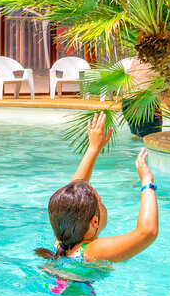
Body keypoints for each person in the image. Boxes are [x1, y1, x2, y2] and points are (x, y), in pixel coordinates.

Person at [35, 115, 159, 276]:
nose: (102, 204)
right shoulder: (93, 251)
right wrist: (147, 183)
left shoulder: (62, 242)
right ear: (94, 221)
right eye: (101, 202)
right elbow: (148, 232)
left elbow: (74, 192)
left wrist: (94, 147)